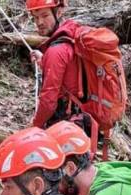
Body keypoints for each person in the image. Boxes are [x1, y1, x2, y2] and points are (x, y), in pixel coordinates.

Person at [26, 0, 81, 129]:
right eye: (35, 17)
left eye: (45, 16)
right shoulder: (71, 35)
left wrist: (35, 126)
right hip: (82, 117)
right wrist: (44, 60)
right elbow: (69, 70)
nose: (39, 22)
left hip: (67, 124)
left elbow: (48, 101)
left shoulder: (56, 50)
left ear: (59, 12)